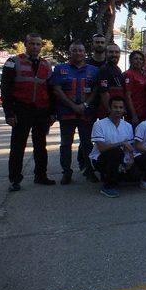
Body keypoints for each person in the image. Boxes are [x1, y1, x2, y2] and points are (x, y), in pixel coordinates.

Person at [2, 33, 56, 191]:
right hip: (21, 109)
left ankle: (41, 175)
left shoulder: (47, 65)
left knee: (41, 145)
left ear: (41, 46)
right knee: (18, 146)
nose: (35, 47)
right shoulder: (13, 62)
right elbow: (5, 88)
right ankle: (15, 180)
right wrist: (9, 113)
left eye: (38, 44)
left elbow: (51, 90)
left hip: (41, 111)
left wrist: (52, 112)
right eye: (32, 44)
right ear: (25, 44)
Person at [50, 40, 99, 185]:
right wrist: (72, 105)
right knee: (66, 144)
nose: (78, 53)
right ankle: (66, 173)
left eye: (80, 50)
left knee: (87, 144)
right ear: (69, 52)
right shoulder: (60, 68)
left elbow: (96, 90)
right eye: (74, 50)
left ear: (85, 53)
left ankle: (89, 171)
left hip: (86, 113)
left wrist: (85, 104)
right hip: (66, 113)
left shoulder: (93, 70)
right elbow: (57, 90)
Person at [89, 96, 135, 198]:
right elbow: (102, 148)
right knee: (116, 152)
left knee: (134, 176)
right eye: (115, 107)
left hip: (121, 158)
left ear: (124, 109)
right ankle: (108, 186)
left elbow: (130, 147)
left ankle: (113, 175)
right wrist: (121, 143)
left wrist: (131, 160)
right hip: (101, 159)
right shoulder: (99, 124)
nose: (118, 110)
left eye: (121, 107)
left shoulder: (128, 126)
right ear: (109, 108)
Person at [124, 51, 146, 127]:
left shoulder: (145, 74)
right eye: (136, 59)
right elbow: (127, 96)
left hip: (145, 112)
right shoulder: (129, 74)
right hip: (135, 114)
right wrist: (134, 115)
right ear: (131, 61)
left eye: (141, 59)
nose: (138, 61)